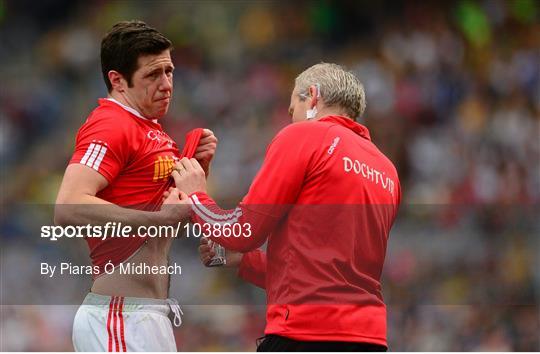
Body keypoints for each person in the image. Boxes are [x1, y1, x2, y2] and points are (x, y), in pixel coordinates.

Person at [170, 63, 401, 351]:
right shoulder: (387, 170)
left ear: (313, 96)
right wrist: (244, 260)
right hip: (369, 339)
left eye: (293, 110)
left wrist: (195, 196)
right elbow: (320, 275)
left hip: (304, 336)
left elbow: (241, 232)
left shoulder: (304, 136)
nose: (291, 120)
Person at [54, 20, 217, 351]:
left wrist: (197, 175)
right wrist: (160, 219)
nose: (167, 84)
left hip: (147, 315)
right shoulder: (111, 124)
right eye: (152, 75)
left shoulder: (152, 132)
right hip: (119, 315)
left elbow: (162, 229)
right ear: (118, 80)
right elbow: (68, 205)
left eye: (169, 71)